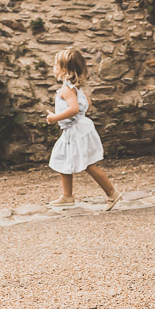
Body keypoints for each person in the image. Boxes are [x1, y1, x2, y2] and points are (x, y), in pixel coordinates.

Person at [47, 47, 121, 209]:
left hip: (76, 131)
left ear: (64, 70)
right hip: (79, 128)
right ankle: (67, 196)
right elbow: (88, 104)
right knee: (62, 157)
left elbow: (73, 109)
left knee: (88, 164)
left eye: (55, 65)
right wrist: (77, 116)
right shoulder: (77, 88)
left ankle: (112, 193)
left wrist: (54, 118)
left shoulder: (66, 90)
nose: (53, 68)